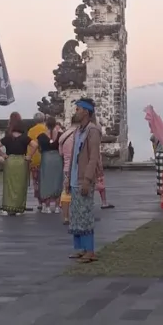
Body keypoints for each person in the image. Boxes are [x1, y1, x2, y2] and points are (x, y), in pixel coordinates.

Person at [67, 99, 102, 263]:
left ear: (86, 112)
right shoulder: (78, 131)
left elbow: (93, 157)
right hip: (74, 176)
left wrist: (87, 179)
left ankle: (90, 250)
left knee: (85, 214)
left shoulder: (92, 131)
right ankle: (80, 247)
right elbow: (74, 155)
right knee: (76, 215)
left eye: (78, 109)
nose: (76, 112)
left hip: (83, 178)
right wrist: (68, 178)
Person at [0, 112, 35, 216]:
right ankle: (19, 208)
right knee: (21, 185)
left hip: (10, 161)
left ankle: (8, 207)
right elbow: (35, 145)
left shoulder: (8, 137)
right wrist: (29, 156)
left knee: (9, 185)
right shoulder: (24, 137)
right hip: (21, 161)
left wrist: (3, 155)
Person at [37, 116, 64, 213]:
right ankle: (57, 206)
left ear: (46, 124)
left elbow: (39, 149)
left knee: (46, 181)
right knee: (57, 181)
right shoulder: (61, 135)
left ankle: (47, 206)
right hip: (57, 159)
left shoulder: (41, 136)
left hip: (46, 159)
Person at [58, 115, 79, 225]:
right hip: (79, 166)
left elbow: (60, 153)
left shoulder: (63, 136)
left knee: (66, 191)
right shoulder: (80, 134)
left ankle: (66, 217)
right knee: (79, 191)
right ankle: (77, 215)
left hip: (66, 166)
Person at [27, 113, 50, 212]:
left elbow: (28, 145)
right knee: (45, 181)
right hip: (45, 158)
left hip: (34, 159)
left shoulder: (31, 131)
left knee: (36, 182)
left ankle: (40, 202)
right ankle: (46, 201)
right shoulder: (46, 129)